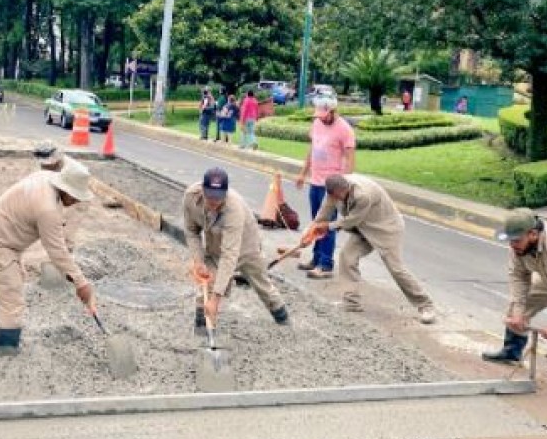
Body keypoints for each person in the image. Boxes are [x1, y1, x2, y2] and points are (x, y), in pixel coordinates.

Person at [0, 159, 96, 355]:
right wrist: (81, 283)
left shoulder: (46, 178)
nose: (77, 201)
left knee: (10, 280)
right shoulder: (47, 210)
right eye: (76, 196)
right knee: (11, 297)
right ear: (66, 189)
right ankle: (5, 349)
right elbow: (57, 251)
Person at [309, 174, 436, 324]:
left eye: (343, 194)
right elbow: (324, 212)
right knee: (347, 257)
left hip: (385, 229)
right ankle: (351, 303)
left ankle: (426, 306)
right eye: (337, 195)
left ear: (346, 187)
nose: (340, 197)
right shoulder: (332, 191)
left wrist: (328, 226)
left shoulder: (363, 195)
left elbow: (351, 221)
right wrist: (311, 231)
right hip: (363, 229)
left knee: (396, 268)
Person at [481, 210, 547, 413]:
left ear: (533, 234)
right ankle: (511, 352)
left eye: (516, 240)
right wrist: (519, 313)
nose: (512, 245)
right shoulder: (518, 248)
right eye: (510, 241)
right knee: (518, 307)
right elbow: (518, 278)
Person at [183, 167, 288, 331]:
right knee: (208, 283)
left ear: (225, 193)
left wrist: (216, 301)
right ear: (202, 189)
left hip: (247, 246)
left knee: (262, 284)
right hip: (216, 245)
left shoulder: (234, 209)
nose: (214, 202)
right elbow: (191, 231)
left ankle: (282, 318)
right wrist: (198, 260)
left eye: (218, 198)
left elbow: (229, 256)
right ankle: (202, 327)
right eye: (210, 197)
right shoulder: (190, 197)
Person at [295, 96, 356, 279]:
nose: (322, 118)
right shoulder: (316, 124)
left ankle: (326, 264)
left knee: (326, 225)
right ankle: (315, 258)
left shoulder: (344, 129)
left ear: (333, 111)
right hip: (315, 180)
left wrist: (346, 186)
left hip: (332, 186)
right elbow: (312, 149)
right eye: (319, 115)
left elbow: (350, 158)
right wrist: (303, 173)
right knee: (316, 221)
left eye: (325, 114)